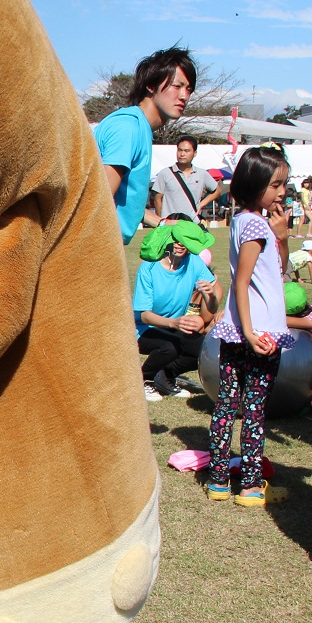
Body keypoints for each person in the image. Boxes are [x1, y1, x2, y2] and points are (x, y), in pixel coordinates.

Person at [205, 145, 292, 507]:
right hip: (259, 331)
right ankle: (252, 486)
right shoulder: (256, 225)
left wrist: (283, 237)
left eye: (283, 184)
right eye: (275, 185)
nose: (282, 192)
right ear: (256, 184)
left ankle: (219, 479)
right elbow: (242, 282)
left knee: (227, 405)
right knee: (254, 410)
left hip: (239, 329)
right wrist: (254, 333)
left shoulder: (242, 220)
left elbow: (276, 269)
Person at [95, 46, 198, 244]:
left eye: (189, 89)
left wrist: (163, 223)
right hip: (90, 249)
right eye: (177, 86)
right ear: (151, 85)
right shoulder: (129, 128)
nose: (184, 96)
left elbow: (123, 202)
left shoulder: (140, 129)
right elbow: (98, 203)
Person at [133, 225, 218, 400]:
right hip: (141, 329)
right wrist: (174, 323)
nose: (180, 244)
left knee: (204, 349)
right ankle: (144, 380)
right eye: (176, 239)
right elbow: (144, 315)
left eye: (185, 241)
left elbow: (213, 307)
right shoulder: (149, 267)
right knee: (169, 347)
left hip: (173, 326)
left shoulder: (194, 262)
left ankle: (165, 376)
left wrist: (211, 295)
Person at [149, 134, 223, 224]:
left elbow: (217, 191)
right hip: (170, 223)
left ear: (194, 153)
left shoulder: (202, 174)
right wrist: (161, 221)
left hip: (192, 223)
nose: (182, 154)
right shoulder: (165, 173)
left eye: (187, 151)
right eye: (180, 150)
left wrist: (202, 204)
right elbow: (157, 199)